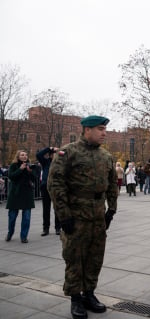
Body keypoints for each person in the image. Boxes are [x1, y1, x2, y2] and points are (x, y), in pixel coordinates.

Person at [48, 115, 118, 319]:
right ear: (87, 130)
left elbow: (112, 184)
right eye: (100, 129)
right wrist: (64, 216)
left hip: (97, 216)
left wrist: (111, 210)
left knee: (95, 257)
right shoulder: (68, 153)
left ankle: (89, 294)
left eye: (104, 129)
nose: (104, 133)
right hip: (76, 215)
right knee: (74, 257)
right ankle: (75, 298)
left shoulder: (106, 156)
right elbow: (55, 184)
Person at [5, 150, 37, 243]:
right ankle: (10, 233)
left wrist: (30, 172)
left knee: (26, 217)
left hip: (27, 194)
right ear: (18, 156)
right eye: (22, 155)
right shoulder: (13, 165)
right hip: (15, 194)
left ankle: (24, 236)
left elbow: (35, 179)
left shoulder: (30, 166)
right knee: (12, 217)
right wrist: (20, 169)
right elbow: (11, 176)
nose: (25, 156)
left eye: (26, 155)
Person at [36, 146, 60, 236]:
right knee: (46, 209)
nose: (56, 155)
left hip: (57, 188)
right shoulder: (46, 162)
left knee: (57, 208)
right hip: (45, 187)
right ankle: (46, 228)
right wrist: (49, 149)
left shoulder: (60, 163)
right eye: (54, 154)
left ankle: (58, 228)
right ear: (50, 155)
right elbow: (38, 155)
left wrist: (59, 150)